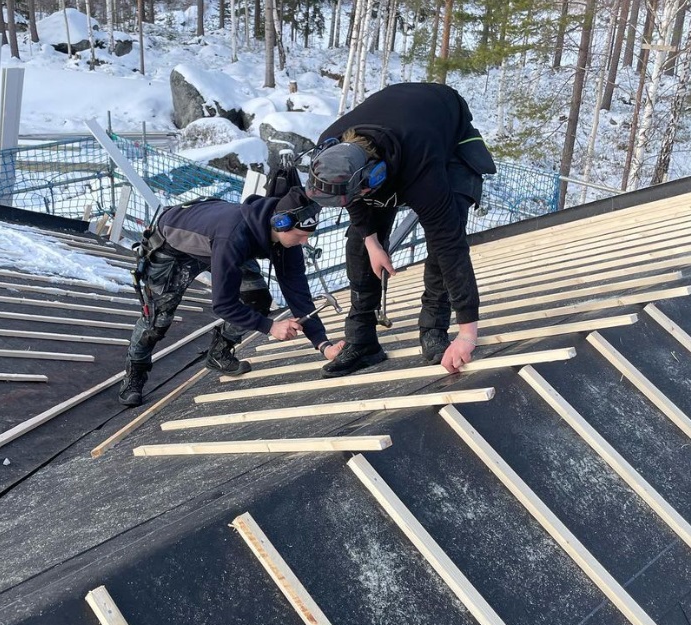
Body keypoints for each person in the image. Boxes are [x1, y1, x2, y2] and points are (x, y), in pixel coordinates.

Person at [306, 82, 496, 378]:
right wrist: (371, 241)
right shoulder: (329, 148)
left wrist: (468, 335)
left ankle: (434, 326)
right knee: (359, 241)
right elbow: (353, 201)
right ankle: (362, 341)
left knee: (444, 235)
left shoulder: (420, 166)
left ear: (373, 176)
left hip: (447, 137)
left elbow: (449, 244)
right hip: (398, 124)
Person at [118, 186, 345, 406]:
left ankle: (219, 353)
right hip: (173, 247)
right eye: (300, 236)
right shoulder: (235, 238)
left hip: (216, 242)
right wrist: (270, 327)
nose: (304, 242)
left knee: (256, 299)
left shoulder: (287, 239)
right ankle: (134, 375)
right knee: (157, 321)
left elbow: (298, 292)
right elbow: (223, 304)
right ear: (280, 224)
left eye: (308, 235)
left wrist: (322, 343)